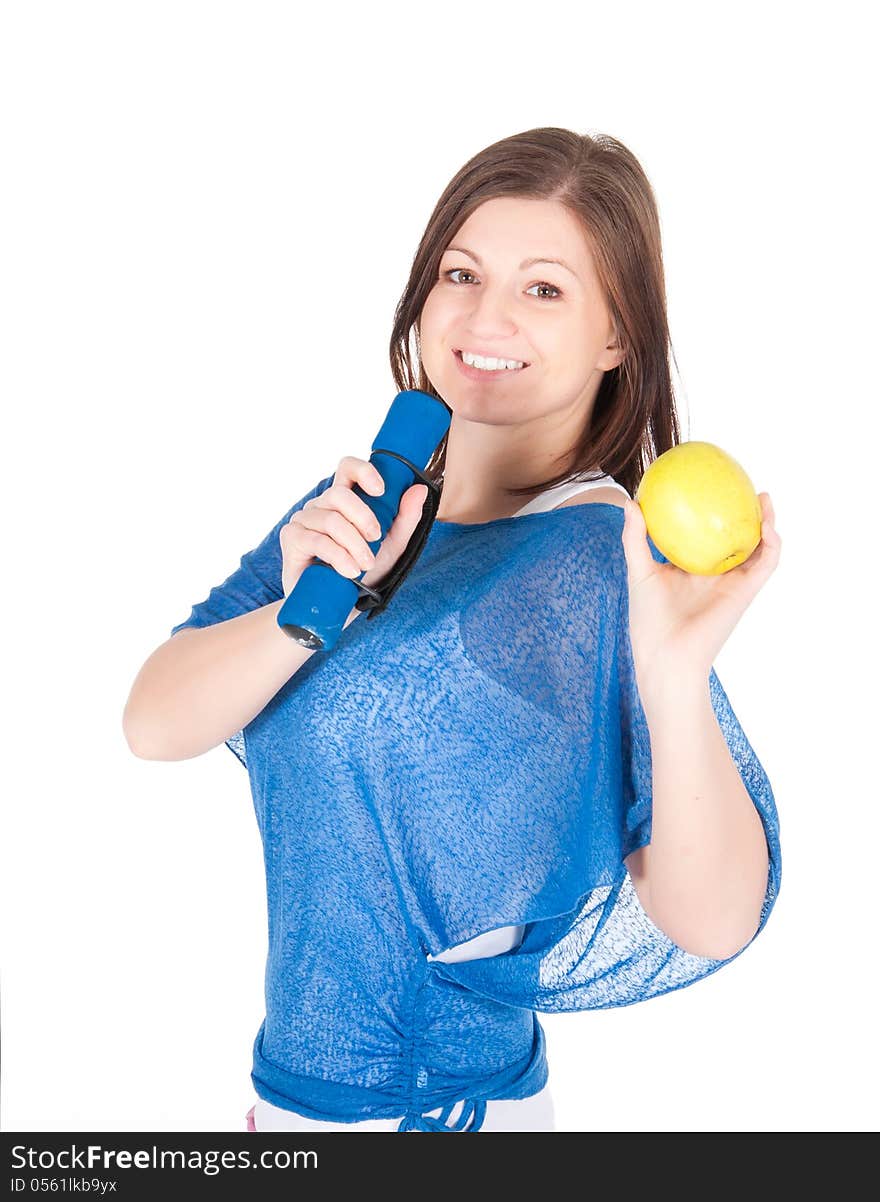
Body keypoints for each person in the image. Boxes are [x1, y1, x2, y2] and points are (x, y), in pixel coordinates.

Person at [123, 127, 782, 1133]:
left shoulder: (596, 554)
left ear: (617, 337)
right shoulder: (364, 506)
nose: (485, 315)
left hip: (439, 1116)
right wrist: (311, 614)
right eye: (460, 273)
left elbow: (711, 915)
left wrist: (675, 669)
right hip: (289, 1103)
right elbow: (153, 720)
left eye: (544, 289)